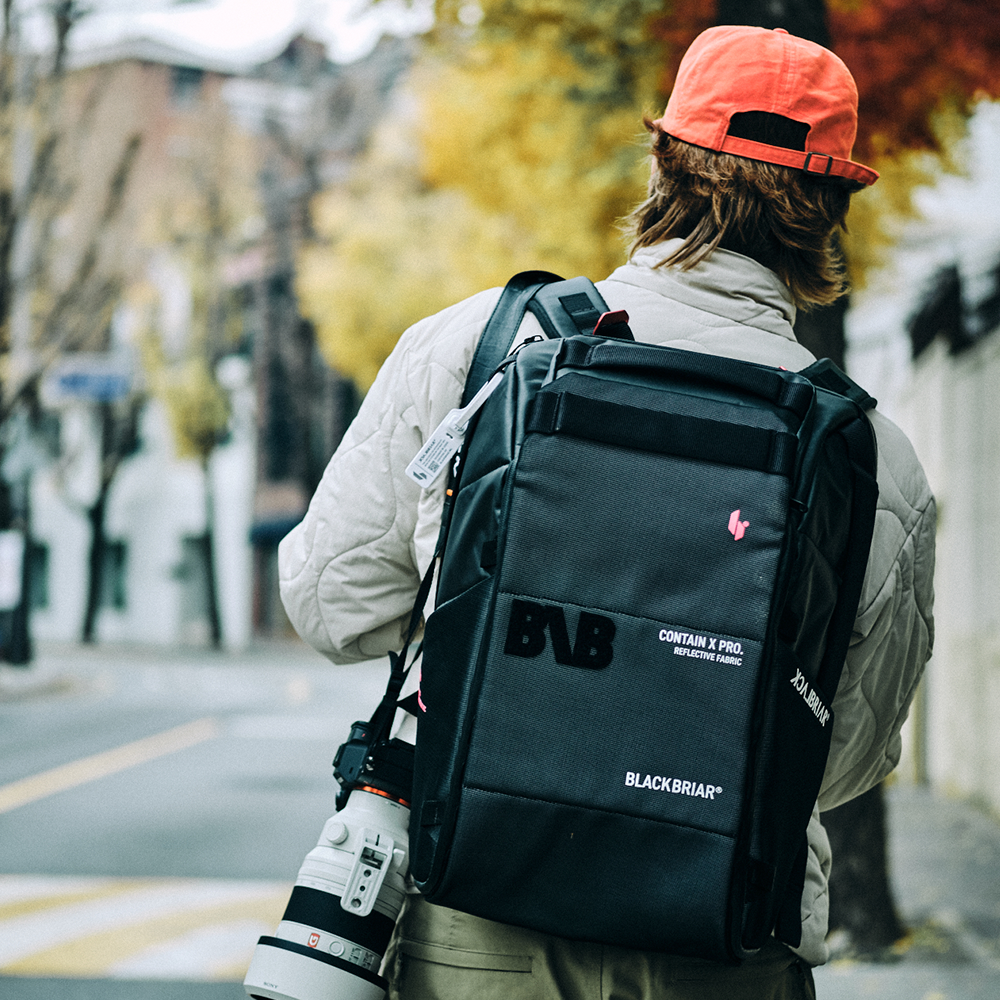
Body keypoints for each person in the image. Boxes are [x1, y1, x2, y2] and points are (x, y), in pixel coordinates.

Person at [278, 24, 935, 1000]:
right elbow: (839, 761)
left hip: (482, 917)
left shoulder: (477, 348)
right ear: (832, 202)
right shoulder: (873, 461)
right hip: (722, 941)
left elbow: (329, 603)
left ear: (662, 154)